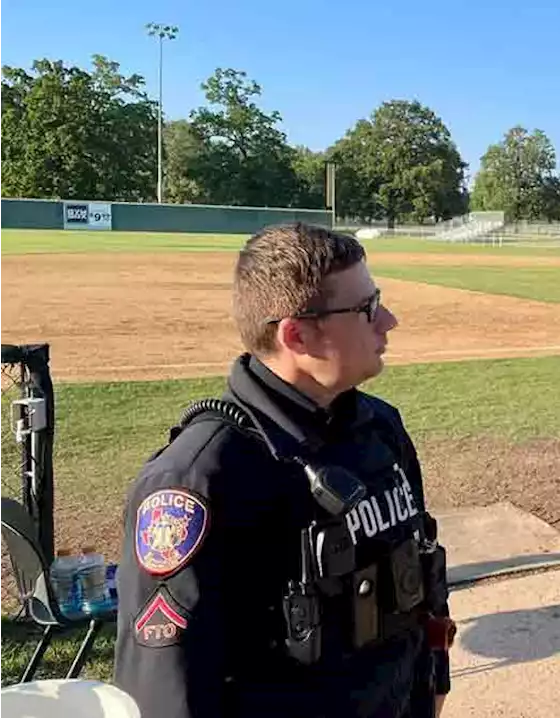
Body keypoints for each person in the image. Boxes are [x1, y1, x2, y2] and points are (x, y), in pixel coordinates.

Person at [113, 223, 454, 717]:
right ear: (296, 334)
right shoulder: (198, 479)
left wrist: (433, 675)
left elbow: (422, 564)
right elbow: (167, 690)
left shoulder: (380, 427)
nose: (389, 320)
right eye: (366, 308)